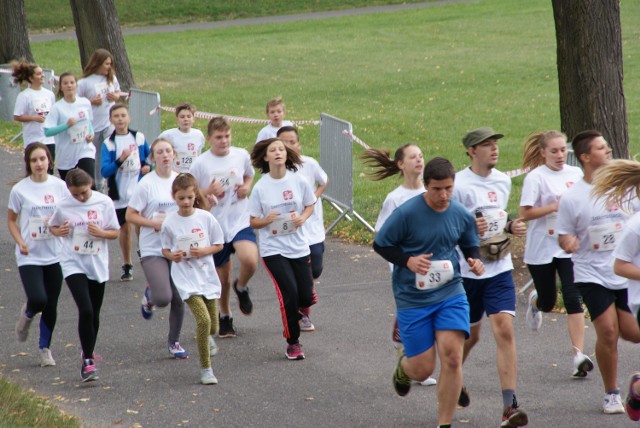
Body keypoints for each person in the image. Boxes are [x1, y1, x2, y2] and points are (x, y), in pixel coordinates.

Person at [373, 156, 484, 428]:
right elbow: (381, 244)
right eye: (437, 189)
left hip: (450, 292)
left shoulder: (459, 213)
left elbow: (470, 243)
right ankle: (404, 368)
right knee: (423, 368)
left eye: (448, 188)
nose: (443, 195)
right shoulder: (407, 213)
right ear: (426, 185)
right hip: (413, 298)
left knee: (453, 356)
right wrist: (408, 261)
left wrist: (474, 259)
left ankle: (443, 423)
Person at [451, 127, 528, 427]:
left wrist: (510, 226)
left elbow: (497, 216)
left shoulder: (503, 181)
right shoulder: (457, 184)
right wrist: (470, 228)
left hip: (499, 268)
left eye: (495, 144)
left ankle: (509, 406)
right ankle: (453, 375)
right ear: (471, 151)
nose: (494, 149)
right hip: (467, 271)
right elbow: (449, 223)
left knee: (504, 330)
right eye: (486, 145)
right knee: (469, 336)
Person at [361, 142, 437, 387]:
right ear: (401, 164)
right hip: (405, 268)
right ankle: (409, 354)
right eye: (413, 157)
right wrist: (406, 256)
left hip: (434, 266)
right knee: (419, 313)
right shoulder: (395, 199)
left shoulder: (432, 192)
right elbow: (382, 235)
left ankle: (412, 350)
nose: (419, 160)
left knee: (436, 313)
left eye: (421, 155)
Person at [518, 130, 593, 377]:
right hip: (542, 246)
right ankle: (536, 301)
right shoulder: (536, 178)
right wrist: (553, 206)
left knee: (573, 298)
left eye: (563, 150)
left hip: (568, 246)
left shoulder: (575, 174)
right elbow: (525, 214)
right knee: (549, 301)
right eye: (554, 151)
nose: (560, 155)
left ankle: (578, 356)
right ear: (543, 152)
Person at [577, 151, 640, 413]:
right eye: (600, 149)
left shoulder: (630, 204)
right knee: (608, 332)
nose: (606, 154)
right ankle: (611, 392)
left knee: (633, 335)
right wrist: (567, 240)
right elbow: (621, 263)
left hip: (621, 285)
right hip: (592, 274)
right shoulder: (636, 224)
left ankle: (636, 390)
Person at [48, 168, 120, 382]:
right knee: (85, 309)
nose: (80, 197)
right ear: (68, 190)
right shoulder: (63, 205)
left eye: (84, 193)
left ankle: (87, 349)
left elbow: (115, 232)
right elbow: (52, 225)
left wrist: (101, 233)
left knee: (94, 313)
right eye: (75, 194)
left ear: (91, 186)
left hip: (96, 262)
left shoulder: (103, 202)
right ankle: (88, 361)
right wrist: (58, 231)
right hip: (72, 261)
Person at [249, 138, 316, 359]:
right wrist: (266, 220)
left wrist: (302, 219)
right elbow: (253, 221)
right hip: (273, 250)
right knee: (289, 295)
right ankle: (293, 342)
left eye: (281, 149)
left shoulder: (299, 181)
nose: (278, 152)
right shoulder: (260, 188)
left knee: (305, 297)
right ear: (266, 157)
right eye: (273, 150)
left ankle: (299, 307)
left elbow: (310, 204)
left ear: (286, 155)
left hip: (298, 246)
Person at [190, 117, 258, 337]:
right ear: (209, 138)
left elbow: (249, 175)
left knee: (249, 259)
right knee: (222, 277)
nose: (224, 141)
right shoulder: (201, 163)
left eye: (227, 136)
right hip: (215, 224)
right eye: (218, 137)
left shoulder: (240, 155)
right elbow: (191, 193)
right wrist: (206, 191)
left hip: (239, 218)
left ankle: (242, 286)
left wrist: (246, 187)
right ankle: (226, 315)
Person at [126, 138, 189, 359]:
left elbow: (192, 203)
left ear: (174, 155)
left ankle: (174, 342)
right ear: (153, 158)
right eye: (159, 152)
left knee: (179, 296)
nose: (164, 155)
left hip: (178, 246)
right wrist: (153, 223)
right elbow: (130, 215)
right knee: (164, 297)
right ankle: (151, 296)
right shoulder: (146, 184)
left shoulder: (180, 181)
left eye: (168, 151)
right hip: (153, 247)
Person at [160, 173, 224, 384]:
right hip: (186, 279)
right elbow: (166, 249)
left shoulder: (206, 218)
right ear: (174, 197)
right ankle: (206, 370)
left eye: (189, 197)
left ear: (195, 195)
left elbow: (219, 244)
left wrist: (204, 251)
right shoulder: (170, 222)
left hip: (206, 276)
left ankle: (207, 337)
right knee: (203, 321)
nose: (186, 202)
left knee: (213, 327)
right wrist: (173, 256)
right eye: (181, 198)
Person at [8, 143, 67, 367]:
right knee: (39, 299)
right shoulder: (20, 190)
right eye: (34, 160)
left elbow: (67, 215)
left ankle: (45, 349)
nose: (39, 164)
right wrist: (20, 241)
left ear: (49, 161)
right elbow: (11, 221)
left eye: (42, 159)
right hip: (29, 254)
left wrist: (62, 229)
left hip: (54, 253)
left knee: (51, 304)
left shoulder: (60, 187)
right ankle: (28, 313)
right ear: (29, 164)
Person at [277, 126, 327, 332]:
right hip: (289, 231)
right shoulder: (276, 171)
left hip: (312, 227)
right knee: (297, 274)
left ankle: (302, 296)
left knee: (314, 269)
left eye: (293, 142)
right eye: (284, 143)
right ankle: (302, 314)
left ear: (299, 144)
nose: (289, 146)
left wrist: (313, 197)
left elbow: (324, 181)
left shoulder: (310, 164)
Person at [100, 103, 151, 281]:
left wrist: (147, 167)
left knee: (141, 223)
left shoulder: (139, 138)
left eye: (123, 115)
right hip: (119, 192)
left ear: (129, 118)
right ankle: (127, 263)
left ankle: (143, 250)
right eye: (116, 116)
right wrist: (120, 160)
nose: (120, 119)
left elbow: (148, 158)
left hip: (138, 190)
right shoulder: (109, 143)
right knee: (125, 228)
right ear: (111, 120)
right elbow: (104, 171)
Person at [77, 49, 124, 190]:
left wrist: (116, 96)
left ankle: (115, 183)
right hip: (93, 126)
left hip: (109, 124)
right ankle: (97, 185)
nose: (109, 67)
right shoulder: (84, 82)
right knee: (97, 157)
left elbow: (118, 91)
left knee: (113, 151)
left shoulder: (111, 78)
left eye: (110, 64)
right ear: (97, 63)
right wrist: (90, 101)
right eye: (106, 64)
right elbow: (76, 102)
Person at [44, 72, 95, 182]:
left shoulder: (85, 103)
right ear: (61, 87)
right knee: (70, 188)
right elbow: (47, 131)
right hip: (66, 153)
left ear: (76, 85)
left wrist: (91, 133)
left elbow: (89, 122)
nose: (69, 85)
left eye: (72, 82)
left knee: (90, 184)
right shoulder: (57, 108)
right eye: (65, 83)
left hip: (85, 149)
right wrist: (66, 125)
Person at [12, 62, 57, 170]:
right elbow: (17, 116)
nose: (42, 76)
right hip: (33, 139)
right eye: (38, 74)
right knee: (35, 171)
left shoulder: (49, 94)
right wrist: (34, 118)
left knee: (49, 170)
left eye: (42, 73)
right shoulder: (24, 96)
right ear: (31, 78)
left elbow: (54, 113)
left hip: (49, 139)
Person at [157, 103, 205, 173]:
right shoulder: (167, 135)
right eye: (182, 117)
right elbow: (155, 151)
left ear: (193, 119)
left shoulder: (198, 135)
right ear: (177, 119)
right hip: (174, 174)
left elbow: (199, 154)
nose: (186, 119)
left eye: (189, 116)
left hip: (192, 175)